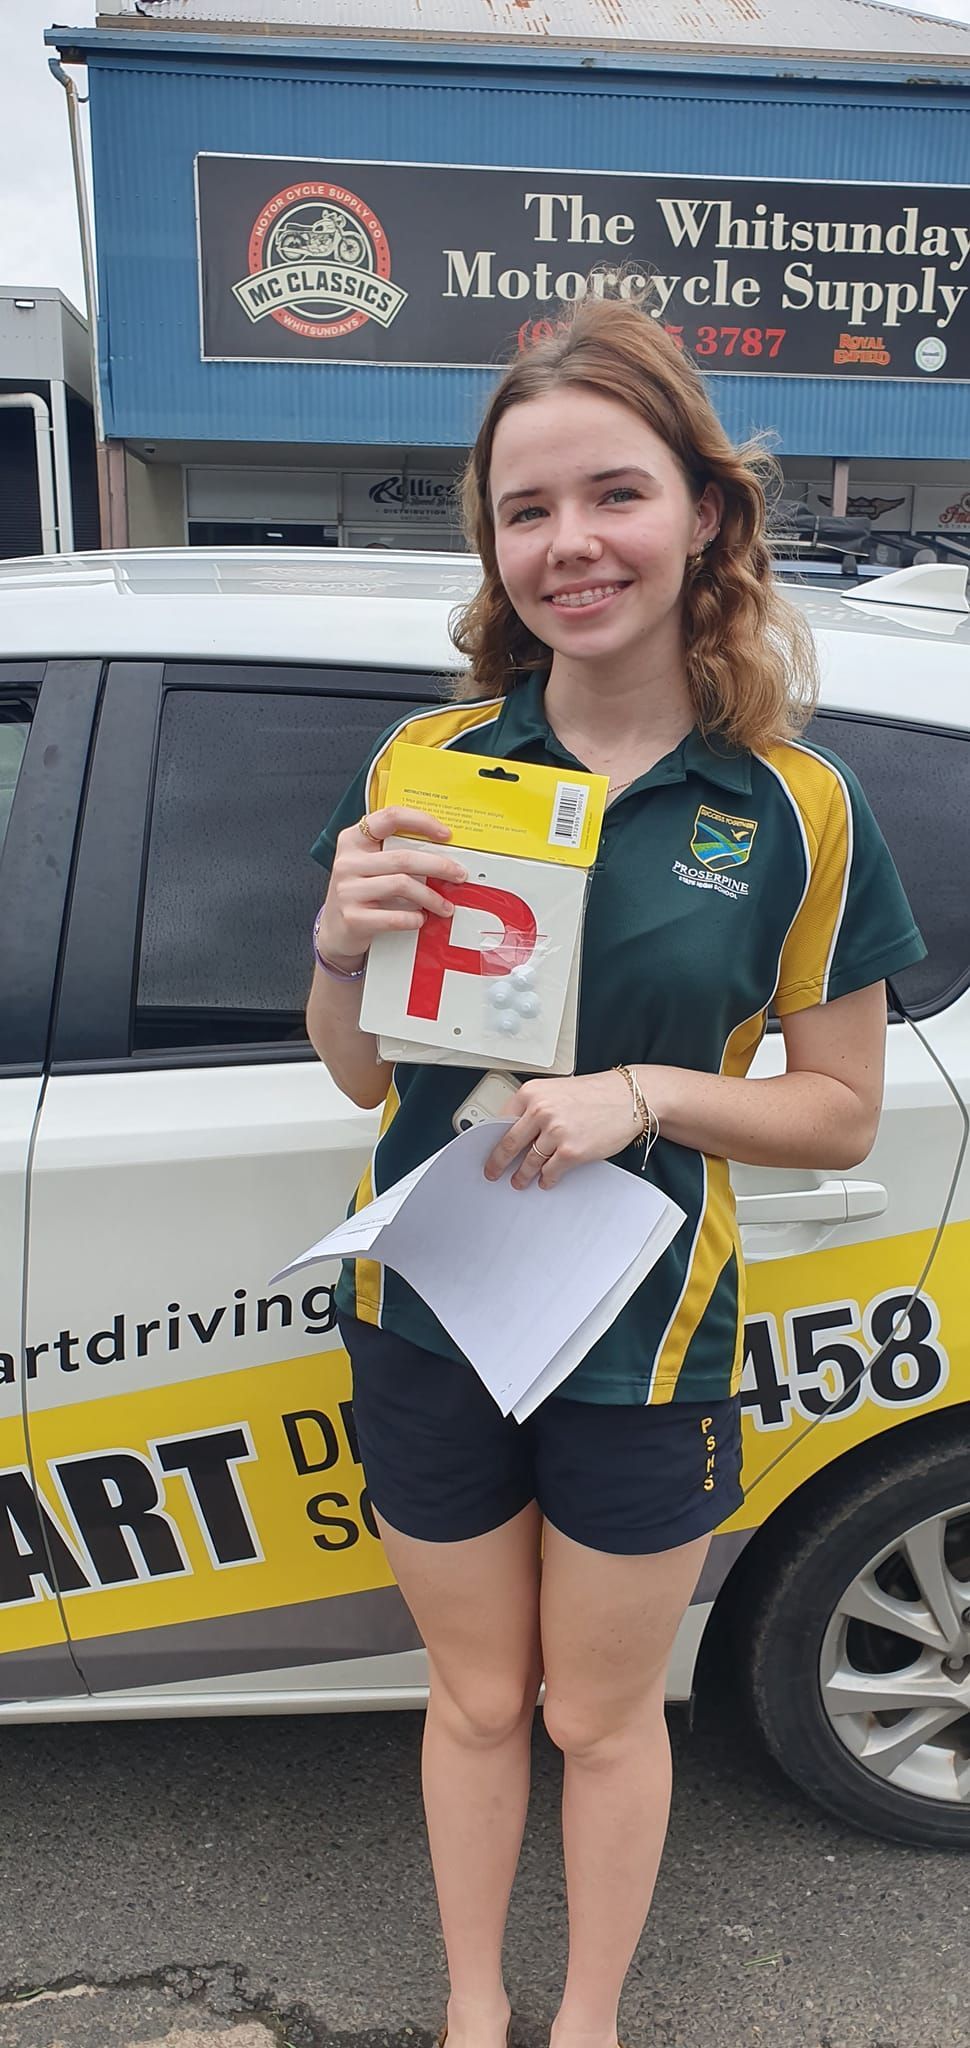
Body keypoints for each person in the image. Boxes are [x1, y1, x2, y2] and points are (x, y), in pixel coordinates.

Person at [305, 300, 925, 2048]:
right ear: (493, 547)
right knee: (476, 1698)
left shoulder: (796, 807)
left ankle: (584, 2017)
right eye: (525, 510)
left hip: (646, 1338)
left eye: (614, 493)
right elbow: (361, 1071)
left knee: (598, 1713)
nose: (570, 543)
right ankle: (475, 2006)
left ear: (703, 516)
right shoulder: (425, 771)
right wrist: (340, 949)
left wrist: (643, 1093)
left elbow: (837, 1113)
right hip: (430, 1308)